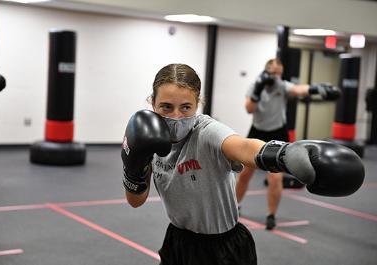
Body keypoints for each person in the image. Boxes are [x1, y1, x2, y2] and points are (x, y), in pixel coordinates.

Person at [121, 63, 363, 265]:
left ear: (198, 104)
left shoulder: (207, 132)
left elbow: (244, 146)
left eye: (186, 107)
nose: (176, 117)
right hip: (178, 242)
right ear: (153, 103)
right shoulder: (147, 137)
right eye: (166, 107)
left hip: (223, 247)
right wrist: (134, 164)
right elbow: (135, 201)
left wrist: (284, 154)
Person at [236, 58, 340, 230]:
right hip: (257, 132)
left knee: (275, 178)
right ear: (266, 71)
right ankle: (236, 205)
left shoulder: (282, 86)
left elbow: (298, 90)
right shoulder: (255, 85)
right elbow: (249, 109)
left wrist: (315, 88)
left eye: (279, 73)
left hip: (277, 133)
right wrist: (258, 90)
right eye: (274, 72)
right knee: (245, 174)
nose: (277, 76)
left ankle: (271, 215)